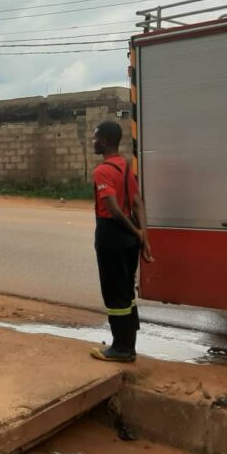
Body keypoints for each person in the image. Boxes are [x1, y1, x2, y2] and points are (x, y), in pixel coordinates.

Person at [91, 121, 153, 363]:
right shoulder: (126, 167)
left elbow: (114, 209)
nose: (93, 142)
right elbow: (137, 203)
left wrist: (137, 233)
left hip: (112, 235)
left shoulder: (102, 171)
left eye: (95, 138)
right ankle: (128, 345)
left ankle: (121, 349)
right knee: (126, 291)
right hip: (129, 238)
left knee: (115, 293)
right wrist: (142, 236)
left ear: (104, 141)